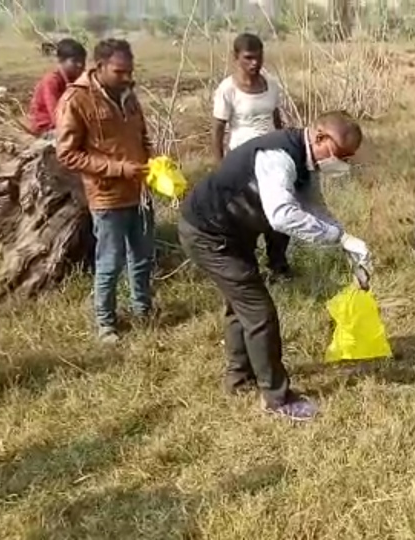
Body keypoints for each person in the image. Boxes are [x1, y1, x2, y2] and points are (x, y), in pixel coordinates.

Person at [178, 111, 372, 421]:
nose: (342, 163)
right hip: (208, 233)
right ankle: (277, 398)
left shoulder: (306, 161)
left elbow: (313, 205)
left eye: (347, 158)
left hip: (232, 233)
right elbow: (282, 215)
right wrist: (335, 235)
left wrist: (345, 239)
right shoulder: (278, 158)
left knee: (239, 306)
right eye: (339, 154)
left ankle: (239, 379)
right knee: (259, 313)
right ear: (320, 138)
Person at [56, 38, 154, 343]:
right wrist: (117, 169)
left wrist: (153, 161)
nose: (126, 77)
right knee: (110, 261)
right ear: (99, 67)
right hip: (107, 194)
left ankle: (143, 310)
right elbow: (67, 154)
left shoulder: (128, 95)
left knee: (142, 256)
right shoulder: (76, 100)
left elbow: (142, 136)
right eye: (119, 71)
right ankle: (106, 323)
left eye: (129, 71)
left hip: (139, 191)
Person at [212, 33, 293, 282]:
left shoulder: (271, 83)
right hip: (243, 162)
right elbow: (218, 130)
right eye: (248, 58)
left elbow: (276, 119)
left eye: (258, 57)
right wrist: (220, 166)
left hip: (272, 159)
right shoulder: (227, 90)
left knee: (279, 213)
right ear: (236, 57)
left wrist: (286, 147)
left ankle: (278, 265)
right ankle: (248, 269)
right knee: (248, 217)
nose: (254, 63)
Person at [27, 38, 86, 140]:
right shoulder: (51, 81)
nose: (80, 65)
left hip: (67, 123)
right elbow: (56, 115)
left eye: (82, 61)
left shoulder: (77, 80)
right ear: (61, 61)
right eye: (75, 61)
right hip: (47, 128)